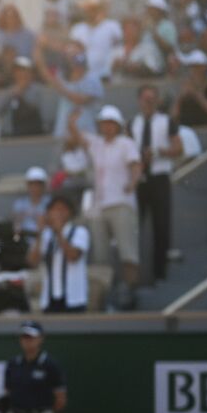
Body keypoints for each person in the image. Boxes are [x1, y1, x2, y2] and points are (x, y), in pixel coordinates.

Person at [65, 105, 142, 303]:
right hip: (99, 207)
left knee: (127, 251)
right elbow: (78, 137)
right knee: (101, 255)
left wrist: (132, 183)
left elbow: (136, 165)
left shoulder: (126, 143)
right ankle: (104, 296)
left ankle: (129, 293)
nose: (107, 127)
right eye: (104, 123)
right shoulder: (96, 144)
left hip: (121, 202)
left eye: (111, 123)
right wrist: (72, 120)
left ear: (117, 126)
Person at [131, 84, 183, 282]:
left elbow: (178, 148)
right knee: (135, 226)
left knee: (161, 225)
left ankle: (159, 272)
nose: (148, 102)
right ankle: (136, 275)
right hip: (139, 179)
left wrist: (159, 152)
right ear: (139, 101)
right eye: (145, 99)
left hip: (159, 178)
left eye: (152, 99)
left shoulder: (166, 121)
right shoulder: (132, 123)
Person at [27, 193, 90, 314]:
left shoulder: (80, 232)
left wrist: (59, 232)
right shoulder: (46, 235)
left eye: (62, 209)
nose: (58, 213)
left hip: (74, 299)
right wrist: (39, 233)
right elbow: (32, 261)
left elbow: (73, 256)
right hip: (49, 300)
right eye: (54, 210)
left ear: (70, 213)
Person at [12, 166, 49, 236]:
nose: (35, 187)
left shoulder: (50, 203)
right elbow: (16, 222)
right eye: (32, 184)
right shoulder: (19, 203)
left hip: (44, 240)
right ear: (27, 185)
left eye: (38, 184)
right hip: (23, 239)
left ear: (44, 185)